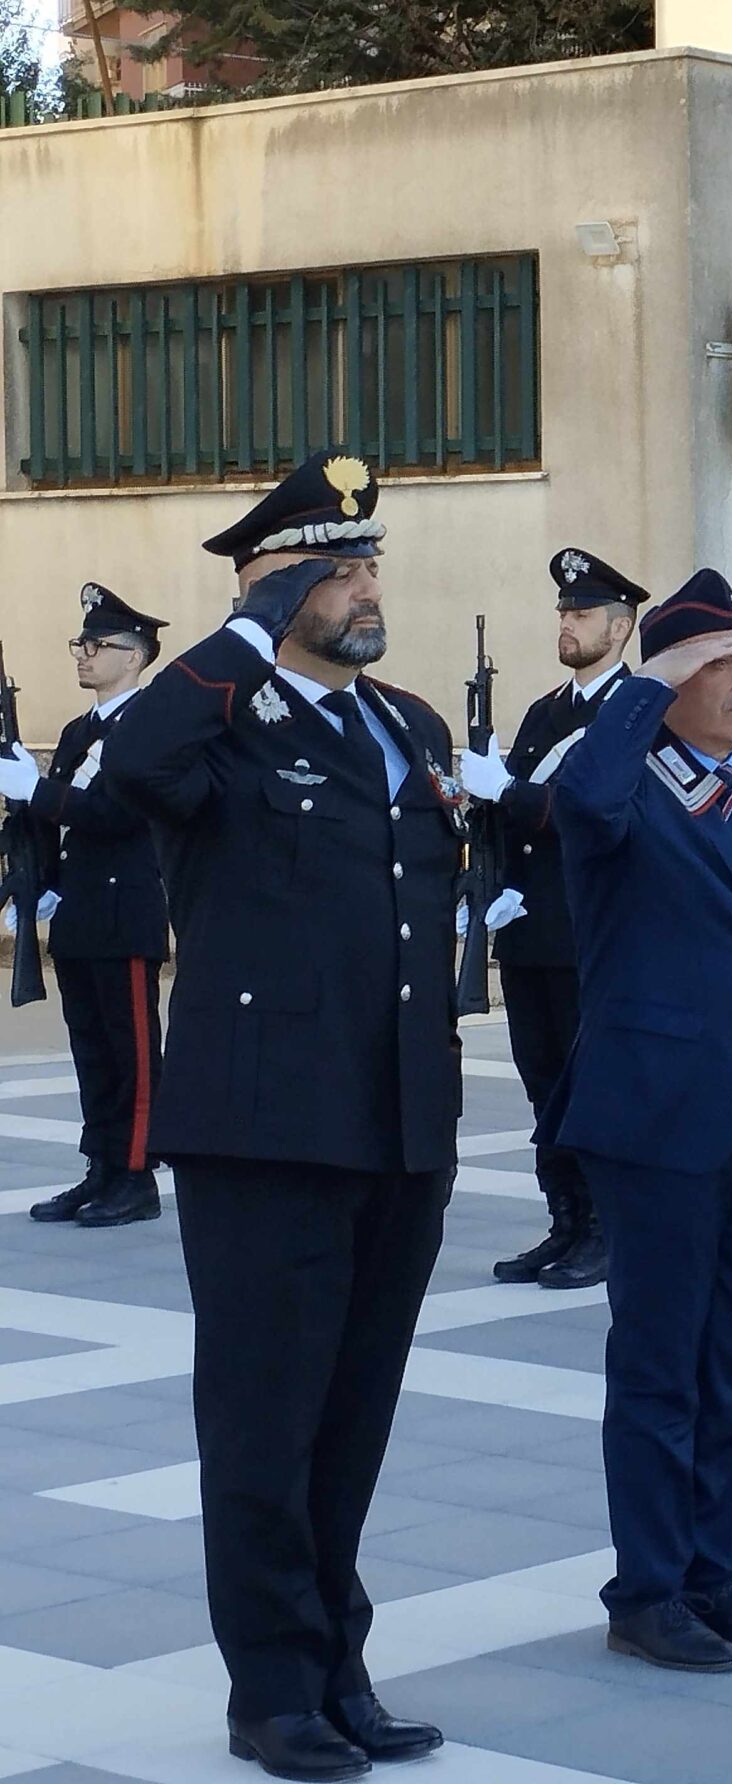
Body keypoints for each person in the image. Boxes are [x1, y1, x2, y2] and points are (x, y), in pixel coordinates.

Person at [103, 450, 457, 1781]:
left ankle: (338, 1663)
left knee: (353, 1417)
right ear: (273, 581)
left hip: (396, 1123)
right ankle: (272, 1689)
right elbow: (136, 758)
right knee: (264, 1420)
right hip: (263, 1131)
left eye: (368, 562)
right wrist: (247, 627)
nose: (364, 587)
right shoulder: (219, 721)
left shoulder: (407, 724)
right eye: (332, 567)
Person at [535, 568, 732, 1673]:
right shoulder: (629, 785)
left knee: (731, 1363)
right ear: (668, 679)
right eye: (719, 664)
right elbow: (583, 799)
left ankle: (712, 1569)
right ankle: (646, 1587)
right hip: (657, 1120)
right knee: (659, 1365)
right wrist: (639, 685)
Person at [455, 546, 651, 1288]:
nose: (566, 624)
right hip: (531, 929)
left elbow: (599, 813)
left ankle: (605, 1225)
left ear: (621, 625)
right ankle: (566, 1220)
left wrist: (508, 795)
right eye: (563, 612)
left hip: (593, 932)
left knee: (592, 1085)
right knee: (543, 1084)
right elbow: (514, 819)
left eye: (583, 613)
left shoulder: (637, 712)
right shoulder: (546, 711)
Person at [9, 582, 171, 1227]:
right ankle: (101, 1166)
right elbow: (56, 823)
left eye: (97, 645)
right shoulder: (81, 729)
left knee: (131, 1053)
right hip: (79, 911)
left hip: (125, 909)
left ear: (134, 657)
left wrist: (36, 791)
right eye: (81, 643)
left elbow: (117, 813)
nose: (83, 655)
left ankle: (135, 1175)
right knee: (92, 1051)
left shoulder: (154, 726)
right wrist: (37, 879)